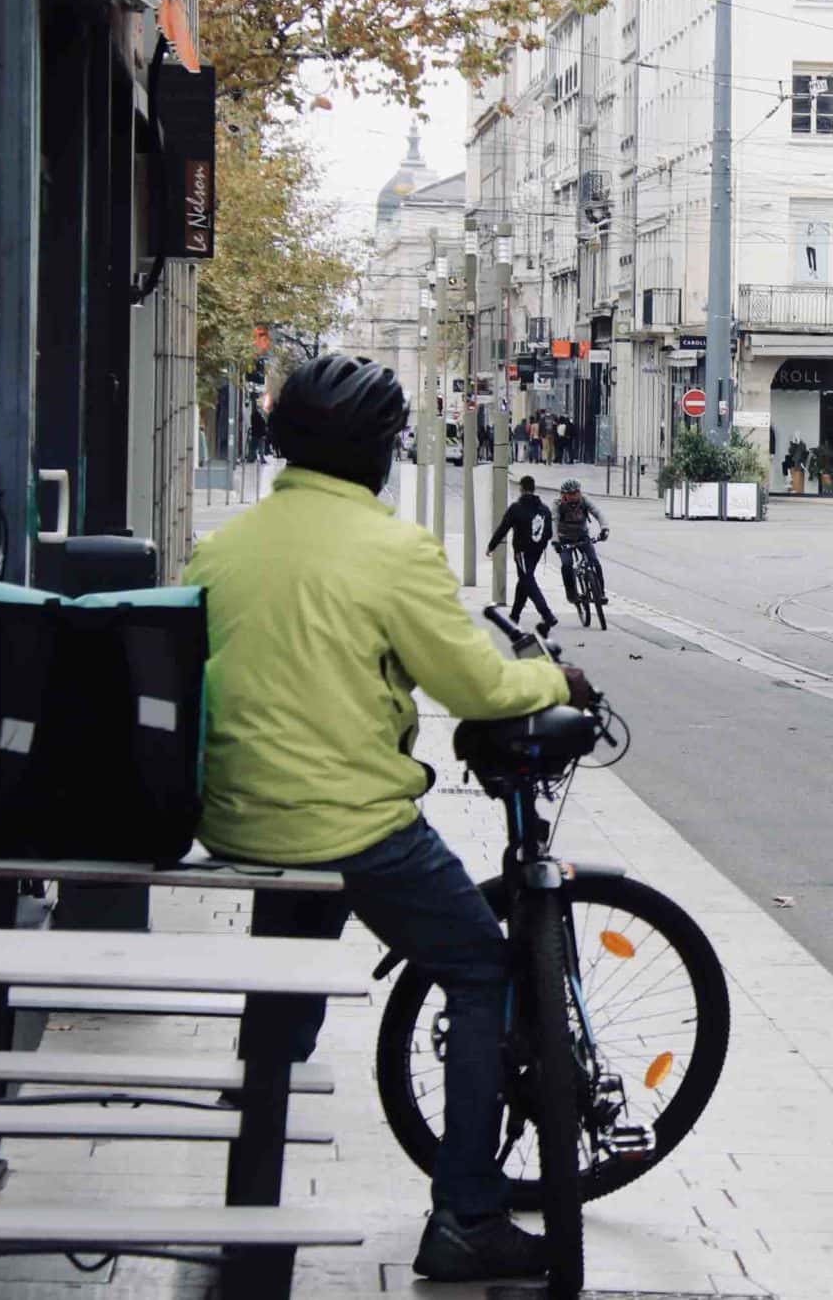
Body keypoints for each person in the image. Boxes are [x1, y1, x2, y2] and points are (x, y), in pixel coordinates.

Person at [186, 354, 596, 1282]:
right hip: (349, 822)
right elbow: (477, 682)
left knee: (283, 984)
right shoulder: (393, 549)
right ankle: (466, 1216)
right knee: (480, 967)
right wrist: (555, 679)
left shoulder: (225, 544)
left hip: (241, 817)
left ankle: (249, 1190)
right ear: (377, 452)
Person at [488, 473, 560, 636]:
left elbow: (503, 528)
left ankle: (547, 614)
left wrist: (491, 546)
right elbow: (548, 532)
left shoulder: (516, 508)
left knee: (527, 580)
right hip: (537, 551)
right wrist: (540, 544)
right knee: (524, 580)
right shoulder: (544, 509)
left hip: (522, 551)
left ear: (521, 488)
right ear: (534, 489)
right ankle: (514, 617)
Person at [553, 477, 611, 630]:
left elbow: (598, 513)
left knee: (594, 561)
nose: (573, 496)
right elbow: (553, 521)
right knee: (567, 565)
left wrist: (604, 528)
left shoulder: (584, 501)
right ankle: (572, 593)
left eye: (576, 493)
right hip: (564, 538)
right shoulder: (558, 505)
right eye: (570, 494)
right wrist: (555, 541)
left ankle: (601, 593)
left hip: (582, 535)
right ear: (563, 494)